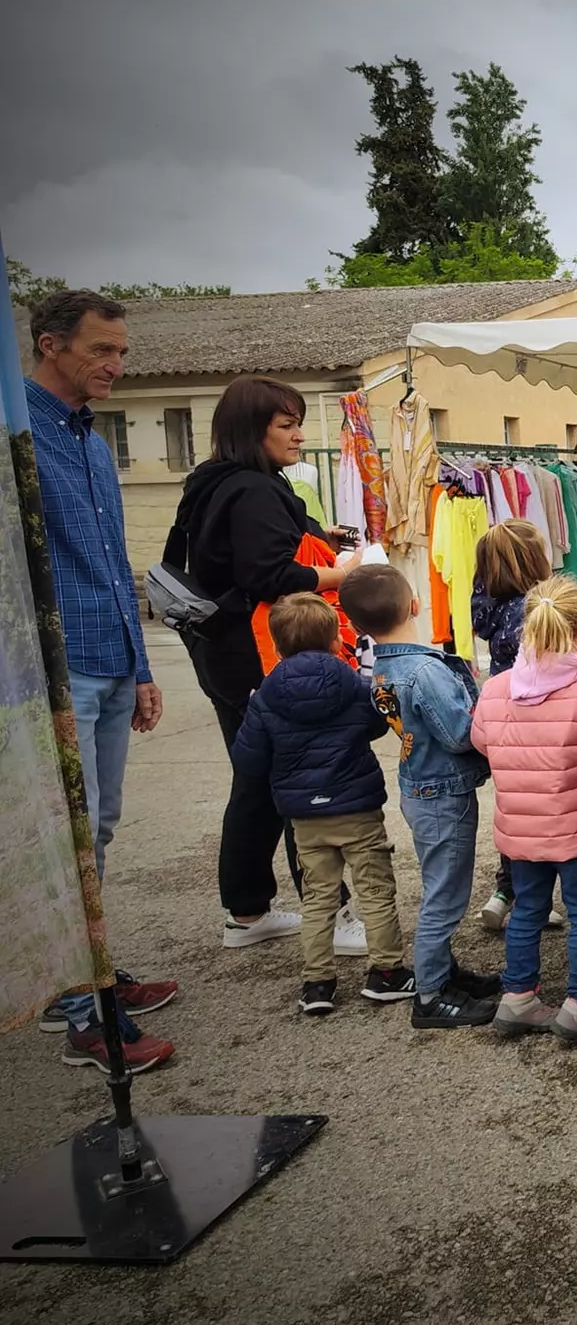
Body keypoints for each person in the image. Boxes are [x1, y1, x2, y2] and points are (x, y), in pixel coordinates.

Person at [25, 289, 178, 1071]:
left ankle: (76, 979)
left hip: (109, 655)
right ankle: (83, 1010)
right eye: (101, 352)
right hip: (53, 672)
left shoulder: (89, 438)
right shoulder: (18, 434)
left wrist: (141, 664)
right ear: (51, 346)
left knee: (103, 826)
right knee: (70, 839)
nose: (117, 366)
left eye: (121, 351)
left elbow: (113, 561)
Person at [172, 374, 363, 949]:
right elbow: (270, 575)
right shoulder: (253, 490)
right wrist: (341, 573)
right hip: (259, 656)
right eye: (287, 425)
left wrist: (312, 534)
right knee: (302, 780)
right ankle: (333, 915)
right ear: (253, 431)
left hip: (220, 655)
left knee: (255, 780)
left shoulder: (212, 483)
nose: (300, 435)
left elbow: (234, 558)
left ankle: (248, 911)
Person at [229, 593, 410, 1016]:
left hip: (304, 815)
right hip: (357, 806)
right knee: (376, 890)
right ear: (334, 641)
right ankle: (386, 972)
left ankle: (318, 982)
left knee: (317, 896)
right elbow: (375, 725)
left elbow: (248, 759)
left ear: (276, 646)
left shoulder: (267, 694)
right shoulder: (351, 682)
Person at [343, 563, 500, 1029]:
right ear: (414, 604)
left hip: (422, 786)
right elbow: (458, 734)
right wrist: (490, 709)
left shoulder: (385, 666)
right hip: (442, 794)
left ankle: (445, 972)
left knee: (443, 887)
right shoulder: (422, 671)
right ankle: (431, 995)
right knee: (445, 897)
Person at [471, 577, 577, 1043]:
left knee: (528, 908)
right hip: (576, 829)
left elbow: (480, 742)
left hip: (519, 831)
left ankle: (518, 999)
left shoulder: (496, 689)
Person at [469, 518, 563, 935]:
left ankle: (503, 892)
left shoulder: (489, 609)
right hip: (542, 720)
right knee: (549, 810)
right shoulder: (536, 611)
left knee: (514, 806)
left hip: (504, 718)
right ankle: (533, 898)